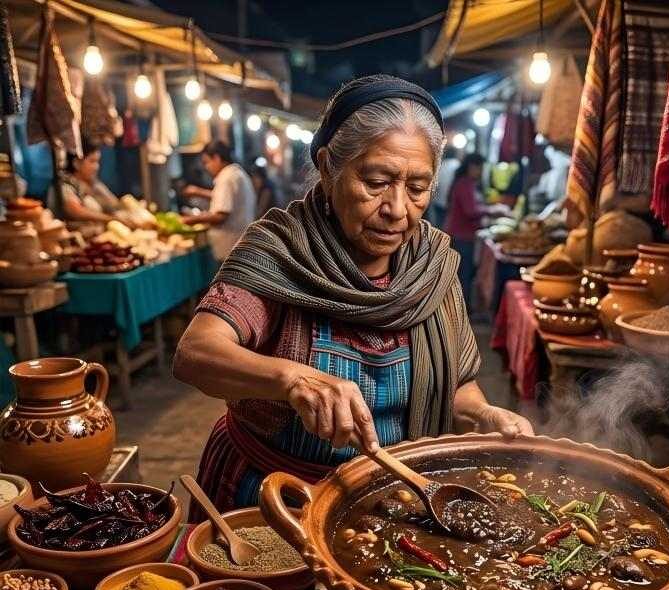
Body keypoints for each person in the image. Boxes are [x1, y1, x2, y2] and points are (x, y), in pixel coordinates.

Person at [173, 75, 533, 510]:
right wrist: (291, 378)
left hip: (391, 500)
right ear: (328, 167)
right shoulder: (282, 251)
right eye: (377, 181)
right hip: (271, 500)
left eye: (417, 188)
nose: (397, 209)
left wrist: (484, 415)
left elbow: (457, 387)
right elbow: (195, 353)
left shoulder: (433, 266)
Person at [443, 152, 510, 302]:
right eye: (479, 168)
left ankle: (462, 309)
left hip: (462, 234)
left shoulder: (465, 183)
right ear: (471, 167)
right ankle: (462, 311)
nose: (481, 173)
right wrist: (492, 211)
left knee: (463, 274)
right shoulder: (464, 184)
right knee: (463, 276)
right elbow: (470, 210)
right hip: (461, 236)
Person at [181, 141, 256, 261]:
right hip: (240, 246)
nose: (206, 167)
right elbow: (225, 198)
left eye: (207, 162)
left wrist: (190, 220)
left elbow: (221, 216)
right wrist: (198, 192)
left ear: (216, 158)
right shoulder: (237, 173)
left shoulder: (226, 178)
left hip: (230, 249)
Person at [59, 142, 121, 225]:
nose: (96, 167)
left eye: (98, 162)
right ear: (76, 163)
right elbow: (76, 211)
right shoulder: (66, 185)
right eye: (92, 161)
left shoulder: (95, 184)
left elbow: (114, 203)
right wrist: (111, 219)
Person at [430, 147, 460, 227]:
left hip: (438, 201)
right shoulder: (457, 165)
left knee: (439, 224)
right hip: (451, 202)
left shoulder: (440, 165)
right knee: (450, 224)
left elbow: (436, 184)